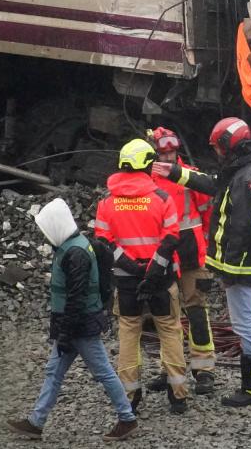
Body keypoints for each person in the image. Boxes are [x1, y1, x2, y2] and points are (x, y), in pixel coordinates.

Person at [152, 116, 251, 407]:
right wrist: (177, 172)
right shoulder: (247, 171)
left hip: (241, 267)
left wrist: (224, 268)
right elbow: (214, 184)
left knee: (245, 326)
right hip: (250, 263)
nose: (216, 152)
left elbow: (239, 228)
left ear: (229, 146)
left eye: (218, 147)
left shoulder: (243, 179)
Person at [6, 198, 137, 442]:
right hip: (74, 324)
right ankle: (36, 422)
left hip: (80, 326)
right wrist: (65, 331)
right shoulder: (74, 246)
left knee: (103, 372)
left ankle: (127, 418)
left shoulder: (74, 252)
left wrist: (65, 333)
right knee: (54, 372)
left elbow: (76, 297)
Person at [96, 139, 190, 413]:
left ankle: (130, 397)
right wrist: (152, 270)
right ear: (147, 165)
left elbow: (104, 242)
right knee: (170, 331)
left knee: (128, 334)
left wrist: (132, 266)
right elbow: (172, 237)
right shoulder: (162, 198)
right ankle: (178, 395)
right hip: (160, 278)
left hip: (126, 280)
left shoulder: (107, 201)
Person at [145, 126, 218, 395]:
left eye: (172, 152)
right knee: (167, 315)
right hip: (166, 256)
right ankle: (171, 368)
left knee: (197, 311)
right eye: (163, 153)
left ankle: (204, 370)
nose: (168, 158)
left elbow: (207, 211)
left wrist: (207, 247)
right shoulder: (148, 181)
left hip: (192, 254)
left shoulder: (190, 176)